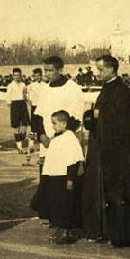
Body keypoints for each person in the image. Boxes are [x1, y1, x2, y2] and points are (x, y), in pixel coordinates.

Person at [81, 55, 130, 248]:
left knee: (123, 194)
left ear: (111, 69)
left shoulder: (121, 92)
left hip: (120, 152)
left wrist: (99, 118)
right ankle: (113, 232)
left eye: (101, 69)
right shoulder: (107, 89)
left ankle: (127, 235)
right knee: (111, 194)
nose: (98, 73)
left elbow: (123, 125)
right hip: (107, 150)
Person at [30, 110, 84, 244]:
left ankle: (65, 232)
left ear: (64, 123)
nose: (52, 126)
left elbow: (73, 160)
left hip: (63, 176)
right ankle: (60, 230)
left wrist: (70, 179)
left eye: (55, 123)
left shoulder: (69, 138)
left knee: (63, 206)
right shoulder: (58, 137)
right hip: (54, 175)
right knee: (55, 204)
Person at [34, 56, 85, 170]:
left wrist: (56, 139)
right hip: (46, 142)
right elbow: (37, 115)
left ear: (60, 70)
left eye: (50, 70)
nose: (46, 74)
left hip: (65, 142)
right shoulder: (44, 89)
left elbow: (76, 118)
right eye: (45, 70)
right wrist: (42, 135)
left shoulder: (73, 88)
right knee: (47, 176)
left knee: (65, 176)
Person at [25, 68, 47, 166]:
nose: (37, 77)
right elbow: (24, 92)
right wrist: (28, 101)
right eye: (35, 75)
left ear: (41, 75)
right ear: (33, 76)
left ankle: (41, 158)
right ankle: (28, 158)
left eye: (39, 75)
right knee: (32, 132)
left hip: (42, 109)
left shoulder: (45, 85)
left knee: (41, 132)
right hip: (34, 109)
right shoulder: (31, 86)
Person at [6, 67, 29, 154]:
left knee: (25, 126)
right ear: (13, 76)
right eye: (15, 75)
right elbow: (8, 99)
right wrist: (12, 107)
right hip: (15, 105)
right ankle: (20, 148)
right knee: (16, 127)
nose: (17, 77)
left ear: (21, 75)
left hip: (23, 104)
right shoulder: (10, 86)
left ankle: (21, 141)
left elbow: (26, 95)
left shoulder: (23, 84)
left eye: (18, 75)